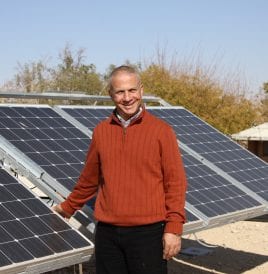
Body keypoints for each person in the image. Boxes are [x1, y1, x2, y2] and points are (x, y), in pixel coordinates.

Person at [54, 65, 187, 274]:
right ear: (111, 94)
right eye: (120, 92)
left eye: (132, 90)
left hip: (148, 234)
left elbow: (175, 183)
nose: (127, 98)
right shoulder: (101, 131)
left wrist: (174, 229)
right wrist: (67, 207)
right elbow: (89, 180)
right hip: (107, 234)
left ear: (141, 91)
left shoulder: (162, 131)